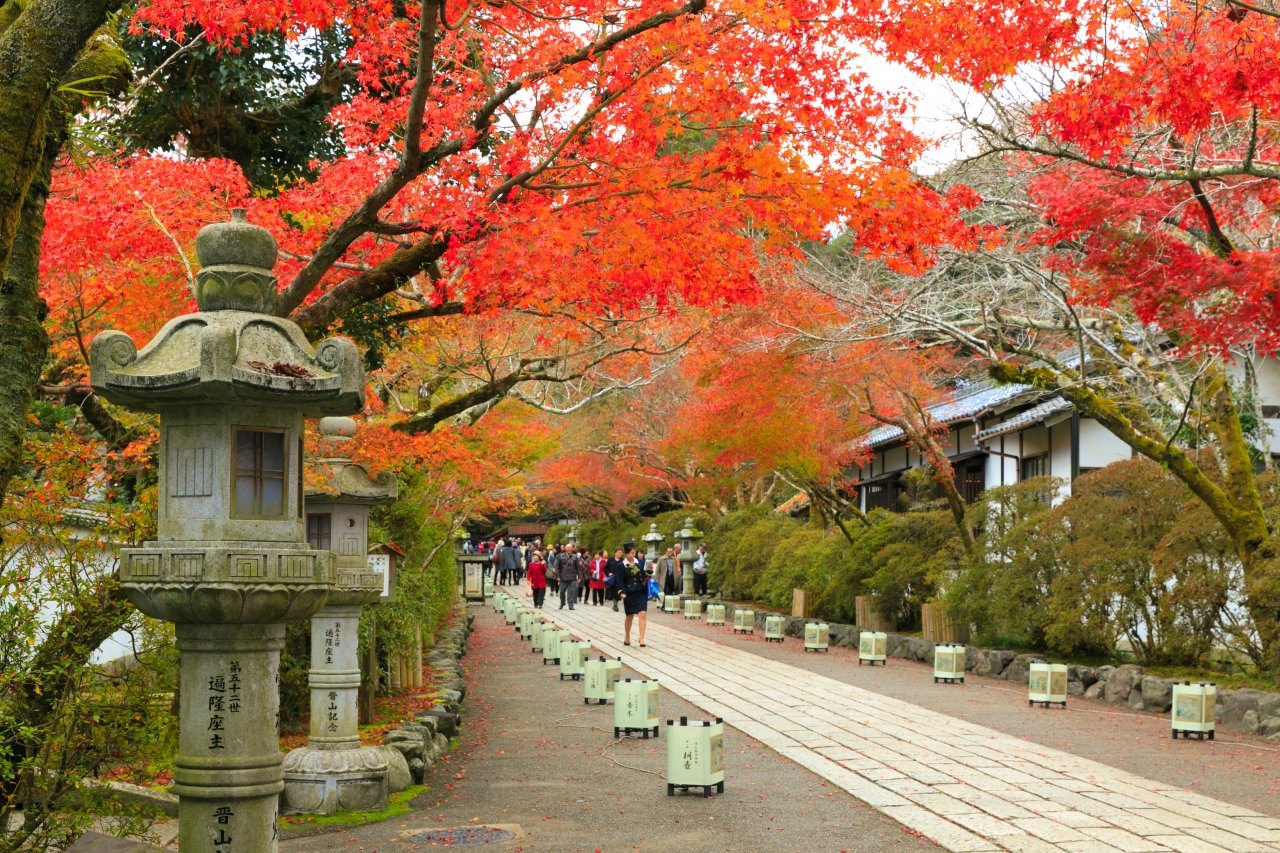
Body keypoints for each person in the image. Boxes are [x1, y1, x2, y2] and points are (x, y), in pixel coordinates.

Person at [617, 544, 651, 646]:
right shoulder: (621, 565)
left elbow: (647, 576)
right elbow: (619, 581)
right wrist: (621, 592)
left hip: (641, 592)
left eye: (634, 552)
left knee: (643, 613)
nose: (633, 554)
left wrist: (649, 572)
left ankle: (641, 638)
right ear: (626, 553)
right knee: (629, 616)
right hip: (629, 593)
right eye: (631, 552)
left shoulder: (641, 563)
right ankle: (627, 636)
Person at [558, 544, 581, 609]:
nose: (569, 549)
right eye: (567, 548)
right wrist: (558, 576)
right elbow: (557, 567)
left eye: (570, 548)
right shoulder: (560, 556)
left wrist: (579, 577)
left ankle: (570, 605)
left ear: (572, 549)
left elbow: (578, 568)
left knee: (571, 592)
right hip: (563, 577)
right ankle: (562, 603)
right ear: (565, 549)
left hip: (572, 577)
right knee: (562, 591)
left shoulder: (575, 557)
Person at [605, 547, 624, 611]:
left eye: (621, 553)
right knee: (612, 592)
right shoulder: (610, 559)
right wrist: (609, 573)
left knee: (618, 593)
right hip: (612, 579)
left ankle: (615, 604)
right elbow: (606, 568)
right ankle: (615, 605)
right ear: (615, 553)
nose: (620, 554)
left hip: (619, 579)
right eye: (618, 552)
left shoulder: (623, 560)